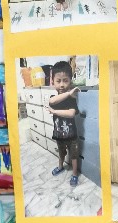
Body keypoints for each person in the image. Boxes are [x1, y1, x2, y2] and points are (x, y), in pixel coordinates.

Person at [48, 60, 82, 188]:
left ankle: (74, 174)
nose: (62, 85)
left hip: (71, 135)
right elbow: (52, 101)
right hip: (59, 134)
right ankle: (60, 167)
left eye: (65, 81)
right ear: (52, 82)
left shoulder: (71, 99)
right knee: (61, 153)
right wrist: (68, 93)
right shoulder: (54, 98)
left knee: (74, 156)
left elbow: (71, 114)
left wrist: (55, 112)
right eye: (58, 81)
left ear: (70, 81)